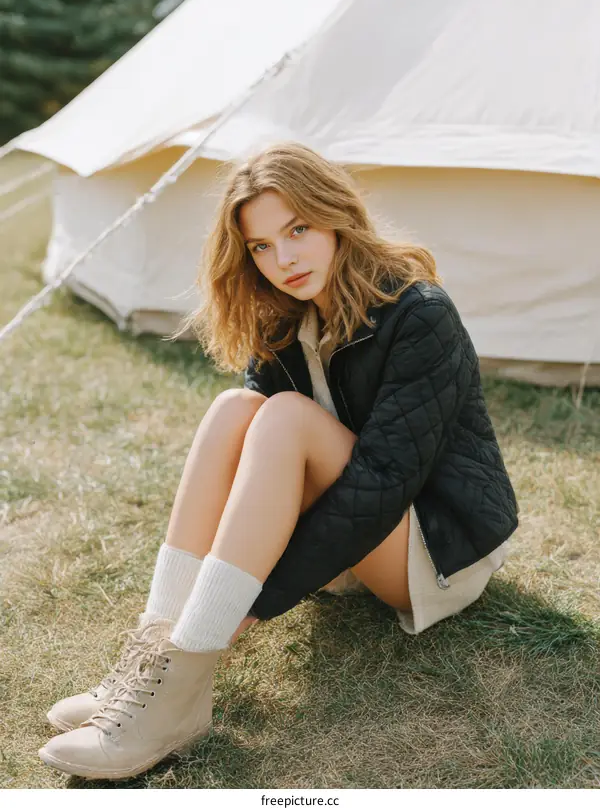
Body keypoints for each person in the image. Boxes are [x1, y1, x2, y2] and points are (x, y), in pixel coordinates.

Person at [39, 141, 519, 780]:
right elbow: (252, 463)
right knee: (235, 408)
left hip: (436, 550)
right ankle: (155, 651)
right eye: (261, 246)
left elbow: (384, 482)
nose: (283, 259)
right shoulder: (284, 319)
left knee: (286, 415)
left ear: (336, 217)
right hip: (350, 536)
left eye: (298, 231)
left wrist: (251, 606)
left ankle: (178, 688)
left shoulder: (419, 314)